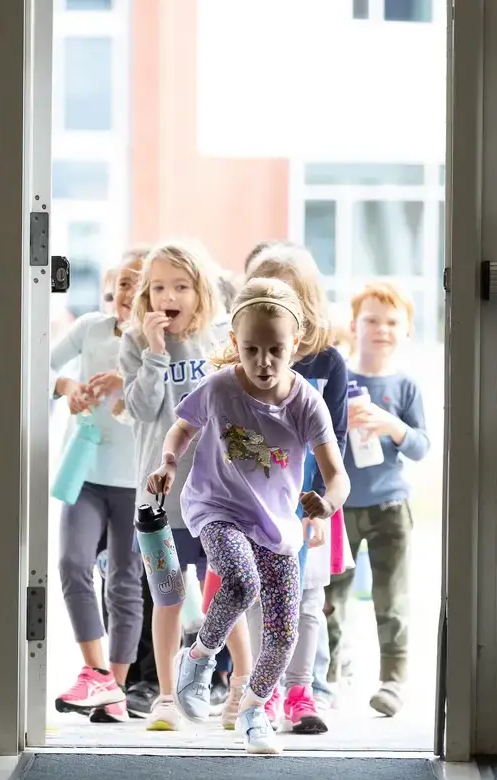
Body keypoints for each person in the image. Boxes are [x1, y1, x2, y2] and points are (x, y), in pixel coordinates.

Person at [145, 277, 350, 754]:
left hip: (276, 525)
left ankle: (255, 709)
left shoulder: (306, 402)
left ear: (294, 345)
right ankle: (199, 657)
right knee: (241, 581)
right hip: (217, 508)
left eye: (275, 350)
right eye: (251, 349)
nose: (263, 362)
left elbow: (337, 476)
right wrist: (169, 462)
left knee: (284, 633)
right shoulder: (219, 388)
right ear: (235, 343)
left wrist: (328, 502)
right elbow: (180, 429)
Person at [118, 239, 253, 731]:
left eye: (180, 286)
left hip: (216, 499)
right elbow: (141, 410)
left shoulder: (222, 339)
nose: (167, 296)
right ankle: (167, 696)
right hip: (158, 503)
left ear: (201, 290)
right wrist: (155, 353)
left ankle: (241, 684)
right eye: (157, 288)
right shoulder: (135, 342)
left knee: (226, 592)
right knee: (168, 598)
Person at [240, 241, 348, 734]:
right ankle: (266, 689)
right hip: (259, 505)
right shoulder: (239, 366)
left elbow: (336, 440)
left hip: (313, 503)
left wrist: (321, 508)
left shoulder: (328, 364)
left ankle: (302, 691)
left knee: (306, 599)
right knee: (263, 597)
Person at [324, 281, 430, 717]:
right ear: (353, 326)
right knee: (330, 597)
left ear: (406, 331)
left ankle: (393, 680)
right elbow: (314, 436)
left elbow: (422, 446)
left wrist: (393, 426)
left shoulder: (405, 387)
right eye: (371, 320)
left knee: (391, 599)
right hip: (340, 508)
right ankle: (326, 677)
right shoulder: (338, 379)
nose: (381, 329)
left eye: (391, 322)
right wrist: (339, 422)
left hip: (390, 508)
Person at [49, 250, 145, 723]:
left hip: (135, 480)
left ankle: (116, 691)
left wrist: (125, 383)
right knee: (71, 563)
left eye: (139, 283)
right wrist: (69, 388)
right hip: (85, 471)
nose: (127, 292)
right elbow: (42, 363)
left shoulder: (158, 346)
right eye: (121, 283)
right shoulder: (89, 327)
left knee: (125, 582)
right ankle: (97, 675)